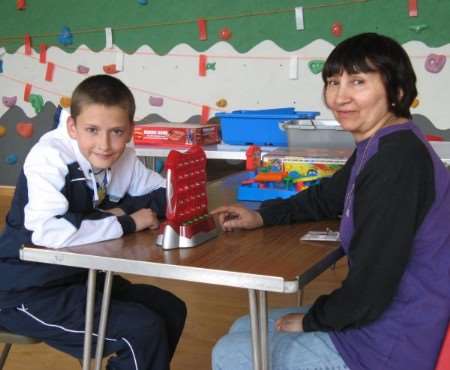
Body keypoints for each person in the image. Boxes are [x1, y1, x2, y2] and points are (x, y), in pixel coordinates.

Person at [211, 33, 450, 370]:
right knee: (242, 328)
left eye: (358, 82)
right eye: (333, 82)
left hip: (391, 341)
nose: (340, 97)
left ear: (397, 92)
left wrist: (312, 321)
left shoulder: (398, 162)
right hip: (388, 316)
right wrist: (262, 216)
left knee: (231, 352)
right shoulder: (382, 143)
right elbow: (328, 196)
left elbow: (370, 289)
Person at [0, 75, 186, 370]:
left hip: (79, 277)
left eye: (116, 131)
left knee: (170, 307)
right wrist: (126, 221)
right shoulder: (48, 158)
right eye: (92, 130)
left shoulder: (121, 156)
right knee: (141, 330)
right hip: (27, 289)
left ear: (130, 131)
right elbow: (49, 232)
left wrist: (117, 213)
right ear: (73, 127)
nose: (105, 144)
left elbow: (168, 195)